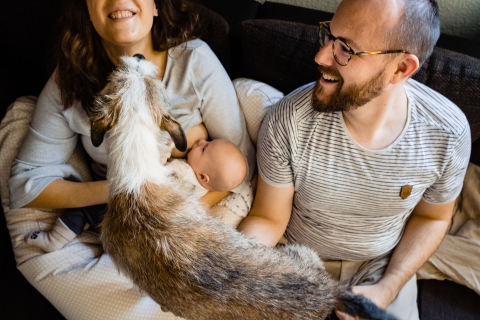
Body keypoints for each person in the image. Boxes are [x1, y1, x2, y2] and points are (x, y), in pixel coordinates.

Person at [237, 0, 471, 319]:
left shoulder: (449, 133)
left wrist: (388, 287)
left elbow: (433, 218)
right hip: (295, 257)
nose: (321, 56)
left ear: (401, 68)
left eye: (346, 49)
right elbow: (269, 219)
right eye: (329, 36)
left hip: (382, 264)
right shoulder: (287, 120)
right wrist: (228, 270)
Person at [8, 0, 254, 212]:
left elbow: (240, 172)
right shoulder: (69, 81)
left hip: (192, 214)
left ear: (156, 5)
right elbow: (26, 184)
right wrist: (128, 187)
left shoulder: (195, 61)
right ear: (87, 10)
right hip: (117, 216)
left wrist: (178, 220)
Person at [25, 135, 249, 253]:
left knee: (83, 208)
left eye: (204, 148)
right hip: (136, 232)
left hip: (127, 210)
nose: (200, 141)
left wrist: (164, 148)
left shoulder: (182, 171)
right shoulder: (199, 193)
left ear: (204, 177)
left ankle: (53, 240)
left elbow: (153, 173)